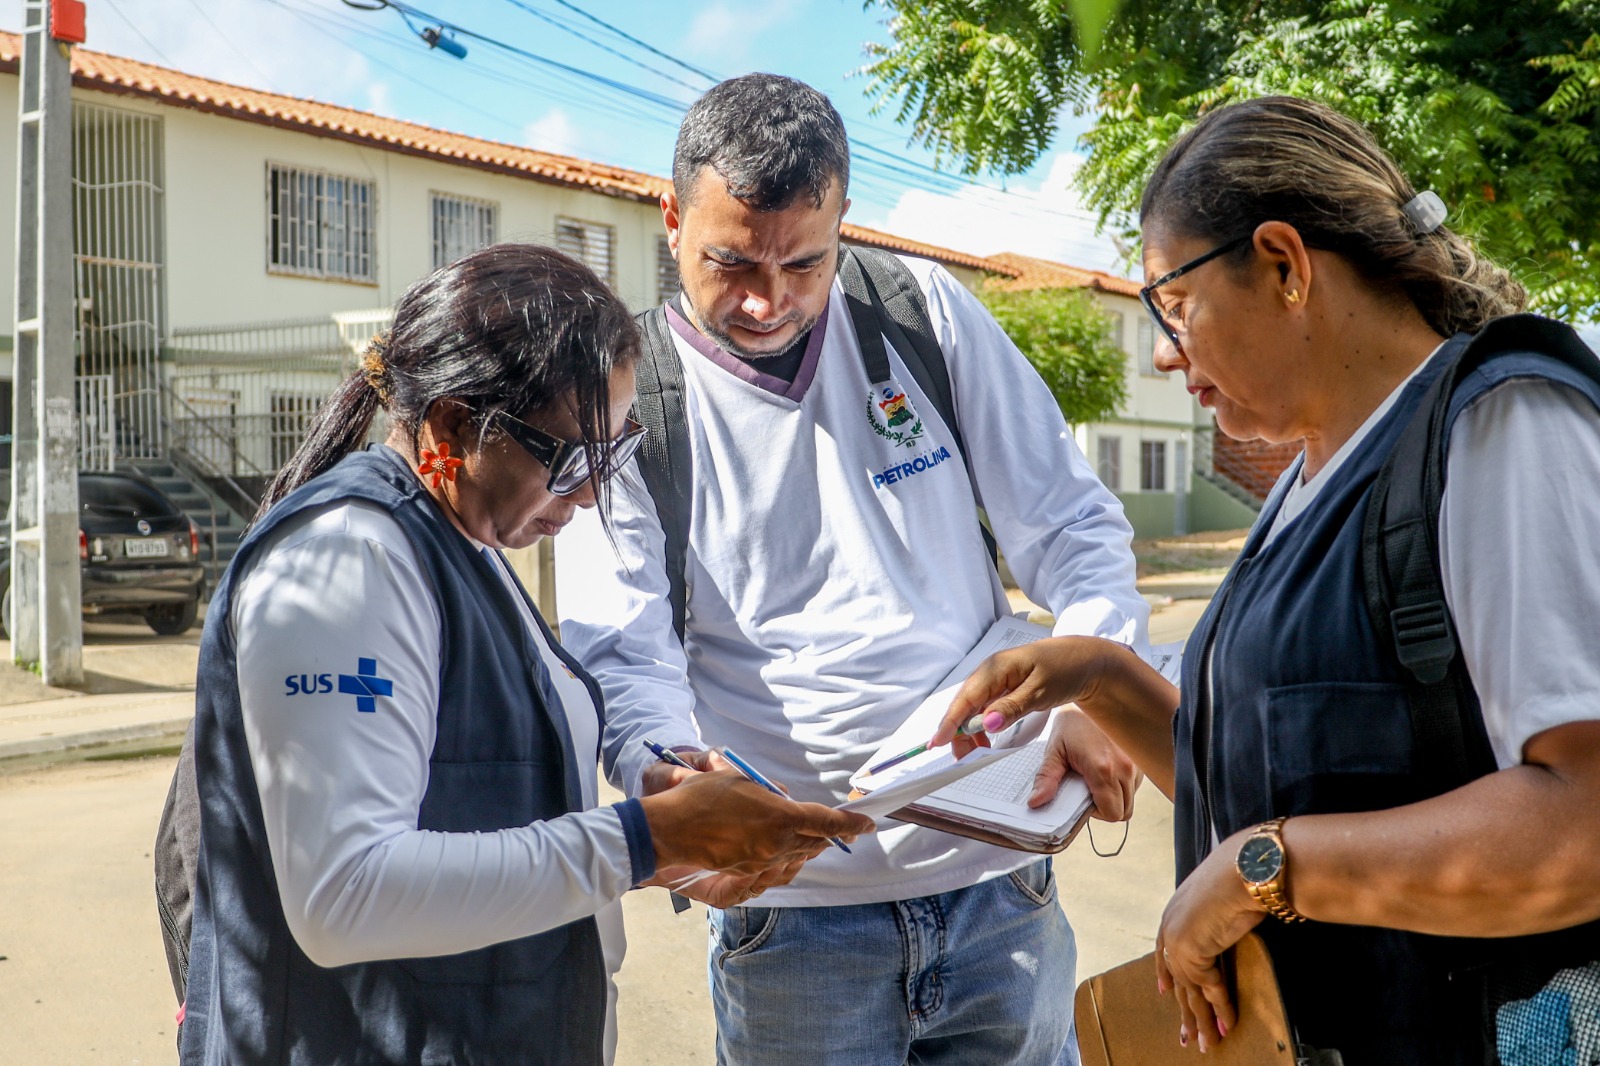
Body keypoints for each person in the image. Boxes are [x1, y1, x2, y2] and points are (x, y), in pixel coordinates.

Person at [934, 96, 1600, 1064]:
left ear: (1284, 265)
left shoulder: (1499, 427)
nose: (1165, 353)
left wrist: (1269, 869)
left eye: (1173, 304)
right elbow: (1267, 782)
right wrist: (1100, 679)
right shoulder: (1303, 480)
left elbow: (1581, 823)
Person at [555, 74, 1148, 1065]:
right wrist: (668, 773)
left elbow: (1075, 530)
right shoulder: (629, 395)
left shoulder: (923, 316)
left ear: (842, 224)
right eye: (730, 262)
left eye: (804, 262)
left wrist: (1102, 689)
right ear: (669, 219)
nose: (767, 299)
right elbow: (621, 652)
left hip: (996, 891)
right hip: (791, 926)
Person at [177, 244, 872, 1065]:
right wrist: (641, 840)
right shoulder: (350, 558)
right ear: (454, 427)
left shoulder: (462, 544)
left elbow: (489, 818)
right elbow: (346, 894)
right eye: (572, 457)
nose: (589, 494)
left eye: (615, 453)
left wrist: (673, 851)